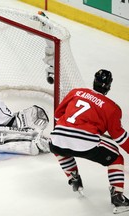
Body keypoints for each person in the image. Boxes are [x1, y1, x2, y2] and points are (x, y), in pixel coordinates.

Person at [49, 69, 129, 214]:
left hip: (57, 136)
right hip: (85, 142)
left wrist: (68, 132)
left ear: (94, 81)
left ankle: (73, 177)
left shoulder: (76, 92)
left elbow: (57, 115)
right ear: (109, 87)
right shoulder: (112, 107)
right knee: (116, 158)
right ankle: (117, 197)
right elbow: (119, 137)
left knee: (60, 147)